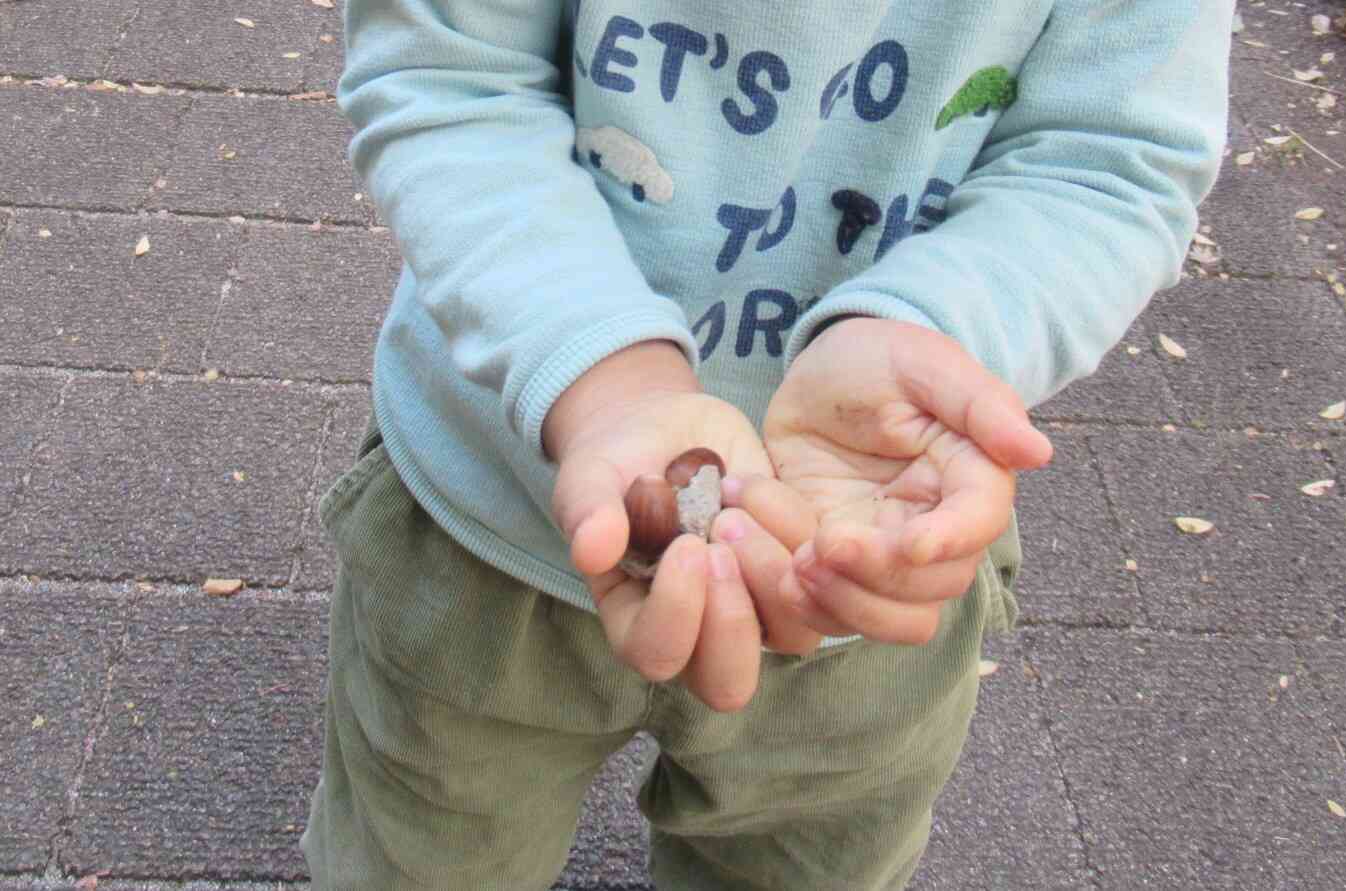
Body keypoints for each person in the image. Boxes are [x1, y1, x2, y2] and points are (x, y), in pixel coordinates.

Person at [301, 0, 1231, 887]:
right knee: (424, 854)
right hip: (487, 516)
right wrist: (606, 377)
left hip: (868, 544)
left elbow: (1108, 156)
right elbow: (453, 72)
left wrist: (926, 326)